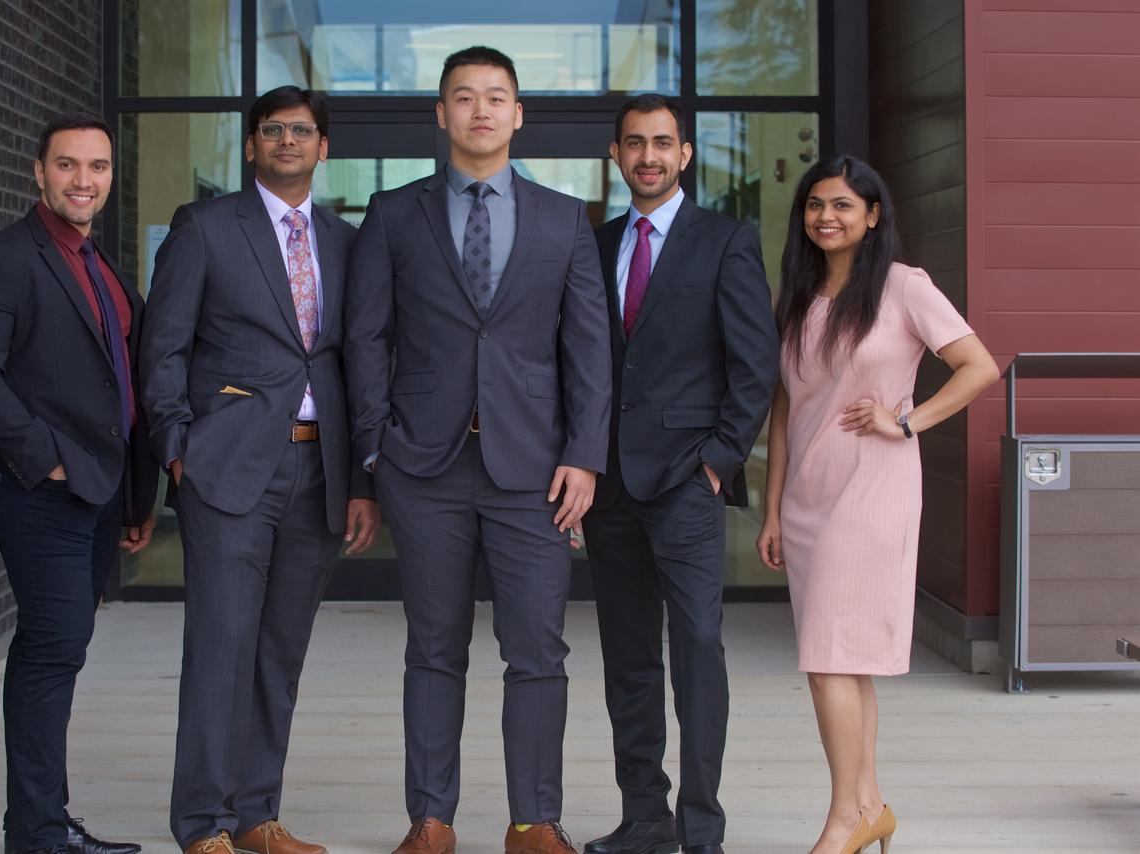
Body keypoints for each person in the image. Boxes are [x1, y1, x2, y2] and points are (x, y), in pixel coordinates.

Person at [344, 45, 612, 854]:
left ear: (519, 114)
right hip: (424, 467)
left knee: (537, 650)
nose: (481, 110)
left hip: (535, 472)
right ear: (441, 113)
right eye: (464, 97)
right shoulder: (393, 214)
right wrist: (376, 450)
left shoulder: (567, 219)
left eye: (497, 97)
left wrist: (585, 453)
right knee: (433, 648)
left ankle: (534, 821)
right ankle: (430, 819)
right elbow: (366, 339)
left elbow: (590, 351)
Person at [140, 86, 380, 854]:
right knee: (221, 644)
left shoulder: (347, 243)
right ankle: (201, 822)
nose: (286, 140)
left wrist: (361, 480)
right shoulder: (206, 228)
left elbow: (354, 359)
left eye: (301, 130)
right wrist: (178, 447)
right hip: (230, 467)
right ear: (251, 147)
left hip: (319, 471)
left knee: (280, 650)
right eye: (272, 130)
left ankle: (256, 816)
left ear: (323, 148)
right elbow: (163, 346)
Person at [756, 154, 999, 854]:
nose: (825, 217)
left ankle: (842, 821)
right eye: (814, 205)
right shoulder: (797, 296)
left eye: (841, 205)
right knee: (845, 658)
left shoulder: (902, 287)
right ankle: (870, 806)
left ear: (872, 214)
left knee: (829, 657)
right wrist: (771, 509)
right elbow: (785, 407)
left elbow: (979, 365)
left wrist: (909, 419)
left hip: (871, 490)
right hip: (806, 495)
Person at [0, 114, 158, 854]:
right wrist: (49, 457)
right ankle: (36, 832)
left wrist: (134, 498)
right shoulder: (3, 259)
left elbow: (119, 387)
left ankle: (44, 822)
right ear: (39, 172)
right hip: (40, 492)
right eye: (67, 166)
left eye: (97, 167)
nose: (83, 180)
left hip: (98, 499)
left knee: (58, 650)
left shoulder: (98, 266)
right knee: (51, 648)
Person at [581, 95, 779, 854]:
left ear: (685, 155)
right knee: (628, 656)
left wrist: (715, 464)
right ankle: (643, 818)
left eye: (663, 143)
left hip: (686, 485)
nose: (649, 156)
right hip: (609, 490)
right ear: (617, 154)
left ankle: (701, 825)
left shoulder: (724, 241)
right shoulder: (594, 245)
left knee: (697, 649)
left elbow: (754, 367)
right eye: (635, 144)